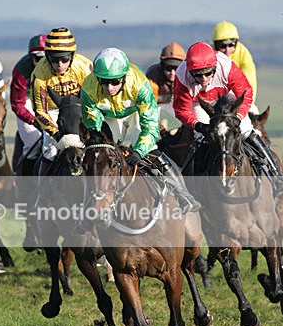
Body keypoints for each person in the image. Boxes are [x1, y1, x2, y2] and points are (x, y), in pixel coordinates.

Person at [81, 47, 200, 214]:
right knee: (98, 157)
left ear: (124, 77)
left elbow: (150, 124)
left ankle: (183, 195)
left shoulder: (139, 84)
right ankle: (87, 207)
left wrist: (139, 150)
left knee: (150, 149)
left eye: (115, 82)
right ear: (97, 78)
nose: (109, 88)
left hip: (135, 115)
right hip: (108, 118)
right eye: (104, 82)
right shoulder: (88, 87)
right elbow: (93, 124)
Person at [172, 42, 283, 197]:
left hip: (227, 97)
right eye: (198, 74)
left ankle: (277, 178)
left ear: (215, 67)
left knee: (247, 130)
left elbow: (246, 93)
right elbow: (181, 110)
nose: (203, 79)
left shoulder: (226, 66)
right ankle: (195, 187)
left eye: (208, 73)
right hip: (200, 103)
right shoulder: (182, 76)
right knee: (200, 138)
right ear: (190, 70)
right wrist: (198, 126)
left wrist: (239, 117)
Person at [31, 26, 92, 166]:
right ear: (47, 57)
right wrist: (57, 134)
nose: (59, 65)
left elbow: (94, 99)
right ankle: (43, 186)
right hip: (53, 111)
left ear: (72, 56)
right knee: (50, 150)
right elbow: (40, 112)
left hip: (79, 108)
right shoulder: (39, 74)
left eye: (64, 59)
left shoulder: (85, 67)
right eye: (54, 60)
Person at [10, 33, 46, 173]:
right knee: (34, 143)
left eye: (46, 58)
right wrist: (33, 120)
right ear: (31, 57)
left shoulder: (58, 64)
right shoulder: (21, 70)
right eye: (38, 58)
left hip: (50, 100)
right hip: (28, 100)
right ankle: (27, 182)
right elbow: (17, 104)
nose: (43, 63)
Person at [212, 21, 258, 103]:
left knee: (254, 111)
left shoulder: (243, 53)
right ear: (215, 45)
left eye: (231, 45)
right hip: (213, 95)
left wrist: (248, 103)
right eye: (222, 46)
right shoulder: (209, 53)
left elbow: (249, 80)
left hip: (237, 93)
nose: (227, 50)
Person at [146, 42, 186, 130]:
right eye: (168, 68)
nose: (172, 73)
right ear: (162, 66)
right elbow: (149, 107)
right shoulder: (153, 76)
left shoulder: (188, 75)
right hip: (158, 106)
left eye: (176, 68)